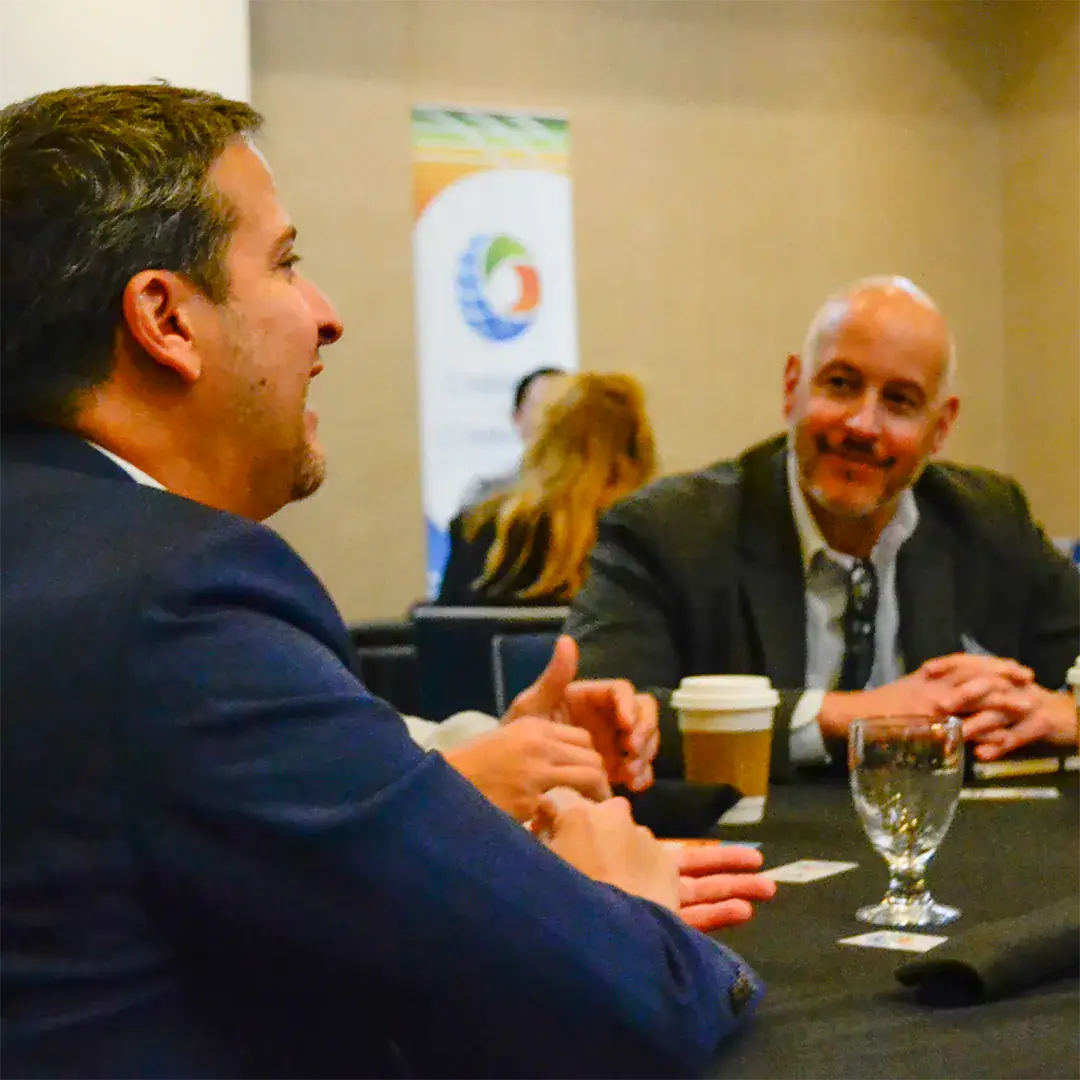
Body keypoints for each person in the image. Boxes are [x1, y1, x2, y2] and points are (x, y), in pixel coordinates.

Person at [0, 84, 775, 1080]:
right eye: (285, 262)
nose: (327, 317)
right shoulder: (177, 602)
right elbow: (624, 1002)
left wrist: (457, 796)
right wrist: (622, 905)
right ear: (165, 318)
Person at [567, 276, 1080, 781]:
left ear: (940, 428)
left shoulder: (988, 518)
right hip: (748, 850)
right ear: (792, 388)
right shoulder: (668, 530)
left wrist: (1069, 714)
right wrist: (851, 716)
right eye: (841, 384)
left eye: (899, 400)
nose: (862, 425)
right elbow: (598, 717)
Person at [437, 371, 657, 606]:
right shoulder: (650, 538)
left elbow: (447, 630)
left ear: (547, 440)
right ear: (637, 454)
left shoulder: (480, 528)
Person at [456, 365, 568, 508]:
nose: (552, 419)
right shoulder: (486, 498)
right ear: (518, 418)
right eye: (541, 408)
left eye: (561, 407)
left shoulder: (599, 497)